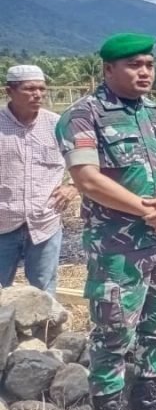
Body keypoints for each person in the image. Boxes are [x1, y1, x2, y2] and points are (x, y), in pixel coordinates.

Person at [56, 33, 156, 410]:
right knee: (114, 331)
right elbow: (87, 179)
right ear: (108, 69)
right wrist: (144, 209)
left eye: (150, 65)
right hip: (118, 249)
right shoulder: (85, 115)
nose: (145, 72)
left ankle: (150, 401)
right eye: (135, 65)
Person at [0, 65, 76, 294]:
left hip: (45, 220)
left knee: (44, 290)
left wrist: (72, 186)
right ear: (9, 91)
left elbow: (83, 159)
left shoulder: (57, 125)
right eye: (30, 89)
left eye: (42, 89)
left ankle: (42, 330)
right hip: (3, 221)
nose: (38, 94)